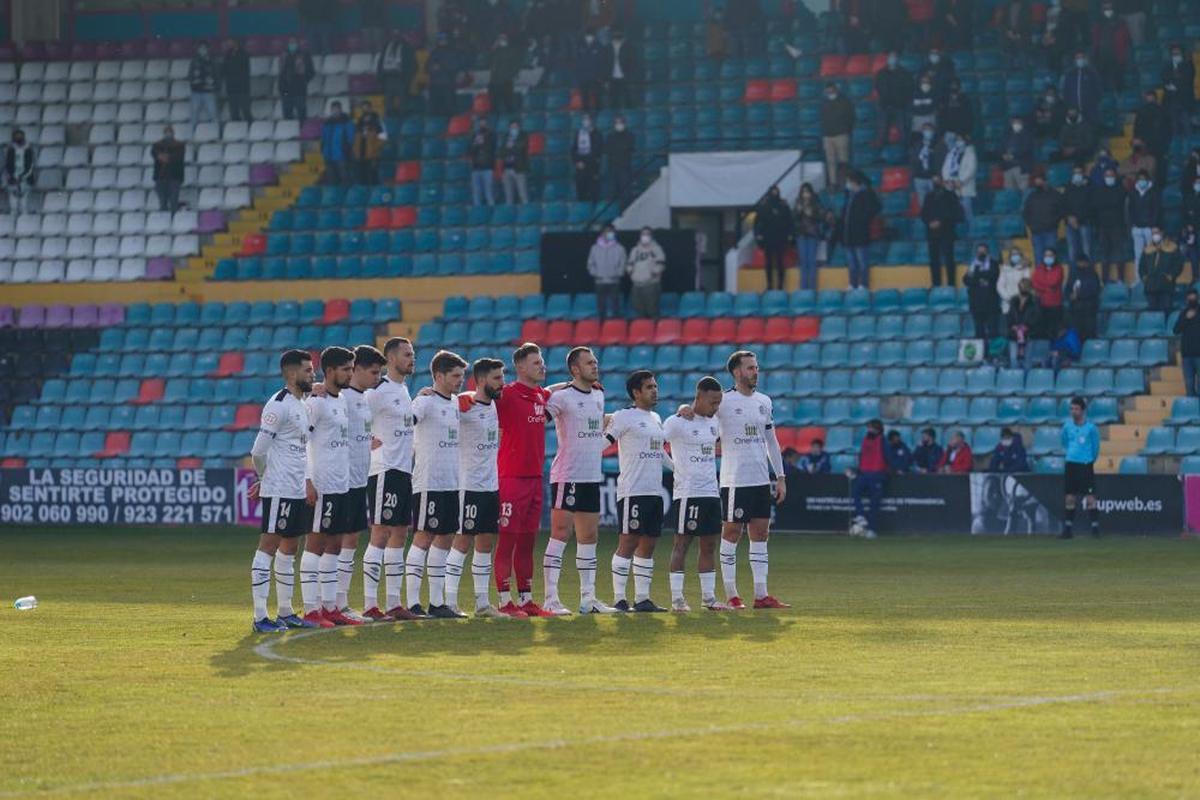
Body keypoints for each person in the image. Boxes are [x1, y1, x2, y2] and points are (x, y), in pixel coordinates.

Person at [248, 350, 317, 633]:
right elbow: (258, 451)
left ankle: (286, 612)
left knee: (289, 548)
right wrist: (265, 479)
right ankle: (260, 616)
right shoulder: (278, 405)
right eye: (308, 370)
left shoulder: (301, 404)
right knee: (269, 546)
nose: (313, 374)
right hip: (279, 487)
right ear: (291, 374)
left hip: (295, 488)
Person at [542, 347, 610, 616]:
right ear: (575, 369)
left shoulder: (599, 393)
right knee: (560, 534)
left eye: (595, 361)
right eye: (589, 363)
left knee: (589, 536)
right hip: (567, 475)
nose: (595, 366)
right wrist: (553, 388)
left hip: (591, 475)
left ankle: (588, 599)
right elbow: (538, 413)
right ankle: (550, 598)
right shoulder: (563, 397)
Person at [403, 350, 468, 619]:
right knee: (423, 537)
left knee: (445, 537)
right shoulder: (425, 402)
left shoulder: (455, 403)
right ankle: (412, 603)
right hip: (428, 481)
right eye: (455, 376)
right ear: (438, 376)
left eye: (462, 376)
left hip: (451, 482)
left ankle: (438, 603)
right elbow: (406, 422)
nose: (460, 381)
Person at [441, 358, 508, 618]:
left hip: (490, 485)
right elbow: (439, 402)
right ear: (481, 381)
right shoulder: (464, 404)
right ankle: (448, 601)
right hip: (468, 485)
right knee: (462, 541)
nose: (502, 382)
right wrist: (426, 392)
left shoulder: (493, 406)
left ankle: (482, 603)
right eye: (497, 378)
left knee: (485, 543)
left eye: (502, 377)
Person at [362, 337, 422, 622]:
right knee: (381, 532)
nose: (412, 359)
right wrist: (366, 439)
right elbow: (353, 414)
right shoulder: (378, 391)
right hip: (384, 469)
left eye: (413, 354)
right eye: (407, 355)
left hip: (403, 471)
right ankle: (370, 605)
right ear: (391, 359)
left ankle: (394, 604)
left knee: (400, 533)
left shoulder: (404, 390)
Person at [301, 347, 361, 628]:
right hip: (322, 484)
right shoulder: (316, 403)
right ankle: (311, 610)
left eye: (352, 368)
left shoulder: (340, 401)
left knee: (335, 545)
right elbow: (299, 441)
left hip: (342, 483)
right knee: (315, 544)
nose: (351, 373)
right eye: (346, 369)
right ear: (330, 371)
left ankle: (329, 607)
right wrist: (307, 480)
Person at [491, 343, 551, 618]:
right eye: (536, 362)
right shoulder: (507, 395)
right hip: (511, 477)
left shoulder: (540, 395)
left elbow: (557, 390)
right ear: (520, 367)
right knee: (508, 540)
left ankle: (526, 599)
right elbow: (476, 395)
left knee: (528, 541)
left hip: (535, 478)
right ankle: (504, 600)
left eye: (542, 362)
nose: (542, 366)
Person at [605, 370, 671, 613]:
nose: (655, 390)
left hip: (654, 491)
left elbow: (658, 451)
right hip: (633, 490)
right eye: (649, 387)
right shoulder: (624, 417)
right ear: (636, 392)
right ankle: (619, 599)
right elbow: (605, 441)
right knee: (628, 541)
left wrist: (678, 469)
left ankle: (642, 598)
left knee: (649, 544)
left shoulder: (655, 417)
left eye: (655, 386)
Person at [664, 377, 731, 612]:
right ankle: (677, 599)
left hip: (711, 492)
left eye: (718, 403)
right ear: (699, 397)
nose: (716, 407)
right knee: (682, 544)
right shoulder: (677, 422)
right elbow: (654, 442)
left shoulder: (714, 424)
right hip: (688, 494)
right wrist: (674, 467)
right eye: (713, 402)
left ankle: (709, 599)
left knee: (709, 545)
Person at [329, 345, 385, 624]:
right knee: (337, 541)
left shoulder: (364, 397)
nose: (377, 377)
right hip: (343, 479)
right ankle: (334, 604)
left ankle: (338, 603)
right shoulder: (342, 397)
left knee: (349, 540)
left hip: (359, 479)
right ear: (357, 370)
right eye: (373, 372)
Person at [1060, 396, 1100, 539]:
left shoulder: (1091, 428)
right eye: (1071, 409)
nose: (1073, 412)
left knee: (1090, 497)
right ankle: (1068, 529)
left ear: (1083, 410)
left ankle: (1095, 528)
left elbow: (1096, 448)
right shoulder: (1067, 426)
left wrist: (1088, 460)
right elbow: (1064, 442)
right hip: (1071, 464)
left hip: (1085, 465)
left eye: (1076, 409)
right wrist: (1072, 454)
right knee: (1070, 497)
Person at [835, 171, 881, 289]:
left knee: (862, 262)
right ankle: (852, 283)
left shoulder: (866, 194)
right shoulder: (848, 196)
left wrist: (863, 220)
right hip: (848, 235)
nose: (847, 184)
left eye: (849, 181)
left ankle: (863, 284)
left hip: (860, 235)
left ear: (855, 182)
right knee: (851, 263)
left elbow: (876, 207)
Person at [921, 175, 964, 288]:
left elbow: (955, 213)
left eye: (937, 180)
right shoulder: (928, 196)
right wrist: (929, 222)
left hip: (947, 232)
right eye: (934, 180)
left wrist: (940, 221)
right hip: (932, 234)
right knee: (934, 260)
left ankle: (951, 284)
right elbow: (924, 213)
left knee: (949, 259)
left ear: (942, 182)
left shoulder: (950, 196)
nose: (936, 182)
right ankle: (936, 284)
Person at [849, 419, 887, 539]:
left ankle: (872, 529)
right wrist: (858, 469)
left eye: (871, 428)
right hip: (864, 473)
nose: (869, 430)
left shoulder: (882, 441)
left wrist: (895, 469)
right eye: (868, 428)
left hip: (876, 474)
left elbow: (888, 456)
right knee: (855, 493)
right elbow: (863, 455)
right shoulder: (865, 440)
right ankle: (861, 516)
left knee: (874, 504)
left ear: (877, 429)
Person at [753, 185, 795, 291]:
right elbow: (757, 222)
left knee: (781, 262)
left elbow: (790, 221)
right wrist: (758, 235)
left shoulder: (783, 205)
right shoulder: (764, 205)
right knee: (768, 262)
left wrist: (790, 234)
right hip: (768, 237)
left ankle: (780, 285)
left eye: (776, 191)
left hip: (781, 237)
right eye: (773, 191)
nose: (775, 193)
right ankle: (769, 284)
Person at [1092, 166, 1128, 283]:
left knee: (1119, 254)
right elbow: (1097, 207)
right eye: (1107, 176)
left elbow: (1119, 203)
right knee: (1104, 255)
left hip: (1118, 226)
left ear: (1115, 177)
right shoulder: (1099, 190)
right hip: (1103, 226)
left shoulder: (1121, 189)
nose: (1109, 178)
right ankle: (1104, 280)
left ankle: (1121, 280)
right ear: (1103, 177)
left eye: (1111, 175)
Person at [1139, 228, 1183, 316]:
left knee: (1166, 310)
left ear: (1162, 233)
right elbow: (1142, 266)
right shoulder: (1147, 248)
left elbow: (1178, 264)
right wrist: (1145, 277)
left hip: (1166, 285)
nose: (1155, 235)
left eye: (1157, 232)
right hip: (1151, 286)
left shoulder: (1172, 247)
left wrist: (1171, 276)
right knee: (1152, 313)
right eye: (1153, 233)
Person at [874, 51, 913, 147]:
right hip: (885, 105)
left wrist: (902, 101)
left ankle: (905, 151)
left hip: (900, 106)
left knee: (903, 130)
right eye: (891, 57)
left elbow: (909, 89)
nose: (892, 59)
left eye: (894, 57)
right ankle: (882, 153)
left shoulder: (904, 73)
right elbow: (878, 87)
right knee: (882, 130)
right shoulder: (881, 73)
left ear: (898, 59)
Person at [587, 224, 626, 321]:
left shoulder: (620, 248)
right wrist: (596, 274)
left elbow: (623, 263)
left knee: (615, 304)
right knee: (601, 305)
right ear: (602, 233)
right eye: (607, 231)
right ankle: (602, 325)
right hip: (600, 281)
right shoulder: (594, 248)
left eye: (611, 232)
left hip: (614, 281)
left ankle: (615, 325)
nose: (609, 234)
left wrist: (617, 274)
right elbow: (590, 264)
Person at [1090, 1, 1131, 91]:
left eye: (1110, 7)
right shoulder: (1098, 22)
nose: (1108, 10)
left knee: (1119, 82)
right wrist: (1095, 54)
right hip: (1102, 58)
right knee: (1104, 84)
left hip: (1117, 57)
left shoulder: (1120, 22)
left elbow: (1125, 39)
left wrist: (1122, 55)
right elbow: (1095, 40)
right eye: (1105, 8)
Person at [820, 82, 855, 187]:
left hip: (841, 134)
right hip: (827, 135)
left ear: (835, 89)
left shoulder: (845, 102)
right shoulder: (824, 103)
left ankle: (845, 182)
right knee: (830, 161)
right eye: (828, 90)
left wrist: (846, 130)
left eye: (831, 90)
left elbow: (851, 117)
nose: (829, 92)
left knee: (843, 160)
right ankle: (833, 183)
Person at [794, 183, 828, 291]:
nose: (805, 194)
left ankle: (812, 288)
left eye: (807, 192)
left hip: (813, 235)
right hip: (801, 235)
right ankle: (803, 288)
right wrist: (798, 211)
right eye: (803, 192)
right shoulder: (798, 203)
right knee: (803, 262)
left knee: (812, 261)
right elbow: (793, 218)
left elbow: (822, 217)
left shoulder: (816, 203)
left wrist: (811, 214)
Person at [940, 132, 977, 232]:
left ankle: (972, 233)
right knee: (954, 214)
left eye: (961, 140)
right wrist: (947, 180)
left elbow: (971, 169)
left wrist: (961, 181)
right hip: (951, 188)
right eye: (957, 140)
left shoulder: (970, 153)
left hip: (964, 188)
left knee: (967, 213)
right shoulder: (952, 153)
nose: (958, 142)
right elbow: (946, 167)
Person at [627, 227, 666, 318]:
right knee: (638, 309)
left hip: (651, 284)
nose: (645, 236)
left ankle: (655, 329)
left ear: (651, 236)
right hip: (636, 285)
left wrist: (653, 273)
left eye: (647, 234)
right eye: (643, 234)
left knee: (652, 310)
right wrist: (630, 272)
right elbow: (630, 263)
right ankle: (643, 330)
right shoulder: (635, 250)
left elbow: (661, 264)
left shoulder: (656, 248)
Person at [963, 242, 1000, 339]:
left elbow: (993, 276)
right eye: (979, 251)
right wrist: (982, 276)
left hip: (991, 302)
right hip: (976, 303)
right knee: (979, 331)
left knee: (993, 331)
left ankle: (992, 353)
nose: (981, 253)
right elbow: (966, 280)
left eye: (983, 251)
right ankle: (981, 352)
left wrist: (977, 275)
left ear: (988, 252)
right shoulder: (972, 264)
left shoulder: (994, 263)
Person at [1023, 173, 1063, 260]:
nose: (1037, 183)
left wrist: (1053, 223)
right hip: (1036, 232)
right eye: (1036, 181)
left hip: (1050, 231)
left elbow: (1061, 211)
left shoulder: (1055, 194)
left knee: (1052, 256)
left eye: (1039, 181)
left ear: (1045, 181)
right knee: (1038, 257)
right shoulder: (1031, 196)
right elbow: (1026, 212)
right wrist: (1031, 225)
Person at [376, 31, 415, 116]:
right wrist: (380, 77)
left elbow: (412, 64)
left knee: (403, 99)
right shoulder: (386, 47)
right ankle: (390, 117)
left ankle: (403, 116)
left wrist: (407, 78)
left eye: (397, 35)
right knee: (389, 100)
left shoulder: (406, 47)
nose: (395, 37)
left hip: (400, 78)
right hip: (388, 78)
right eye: (393, 35)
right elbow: (380, 62)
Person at [1162, 42, 1195, 140]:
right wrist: (1172, 83)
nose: (1175, 55)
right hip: (1172, 101)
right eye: (1174, 53)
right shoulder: (1168, 66)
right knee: (1174, 127)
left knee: (1186, 125)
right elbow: (1164, 78)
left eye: (1177, 53)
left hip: (1185, 101)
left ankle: (1189, 151)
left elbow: (1187, 79)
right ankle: (1177, 151)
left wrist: (1175, 84)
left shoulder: (1188, 65)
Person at [1128, 170, 1162, 265]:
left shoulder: (1153, 193)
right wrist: (1132, 225)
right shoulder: (1133, 193)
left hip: (1149, 228)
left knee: (1152, 253)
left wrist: (1154, 225)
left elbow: (1156, 210)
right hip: (1137, 228)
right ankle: (1139, 278)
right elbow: (1130, 210)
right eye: (1140, 179)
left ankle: (1152, 277)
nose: (1142, 181)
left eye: (1144, 179)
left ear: (1148, 180)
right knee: (1138, 254)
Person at [1007, 278, 1041, 370]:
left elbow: (1037, 317)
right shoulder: (1013, 300)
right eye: (1021, 287)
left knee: (1027, 361)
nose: (1022, 289)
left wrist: (1027, 326)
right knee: (1013, 359)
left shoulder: (1034, 301)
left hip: (1029, 334)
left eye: (1025, 287)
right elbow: (1010, 316)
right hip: (1014, 334)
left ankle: (1026, 381)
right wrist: (1012, 326)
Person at [1133, 91, 1171, 174]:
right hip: (1150, 143)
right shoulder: (1143, 111)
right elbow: (1137, 129)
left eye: (1149, 96)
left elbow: (1168, 128)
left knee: (1156, 165)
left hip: (1156, 143)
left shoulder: (1161, 110)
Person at [149, 126, 184, 214]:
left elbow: (178, 157)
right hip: (160, 176)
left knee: (174, 201)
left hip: (175, 177)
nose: (168, 135)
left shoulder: (179, 145)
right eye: (167, 133)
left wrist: (166, 157)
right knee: (162, 201)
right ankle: (163, 221)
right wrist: (161, 156)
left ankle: (174, 219)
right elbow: (154, 153)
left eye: (170, 132)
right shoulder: (157, 145)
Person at [279, 39, 314, 123]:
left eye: (293, 43)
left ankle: (303, 134)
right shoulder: (283, 55)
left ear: (297, 44)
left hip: (300, 90)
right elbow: (281, 73)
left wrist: (304, 80)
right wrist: (281, 88)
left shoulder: (304, 55)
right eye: (290, 43)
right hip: (286, 91)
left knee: (302, 114)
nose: (292, 45)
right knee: (287, 116)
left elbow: (311, 72)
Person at [1060, 51, 1102, 122]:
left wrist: (1093, 103)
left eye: (1082, 57)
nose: (1080, 60)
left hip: (1090, 109)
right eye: (1078, 58)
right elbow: (1066, 91)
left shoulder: (1092, 73)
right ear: (1074, 60)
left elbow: (1098, 90)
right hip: (1074, 110)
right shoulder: (1070, 74)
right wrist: (1070, 106)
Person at [426, 33, 461, 116]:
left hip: (447, 84)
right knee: (436, 108)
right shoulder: (434, 53)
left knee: (450, 107)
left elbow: (455, 66)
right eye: (440, 40)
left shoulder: (452, 52)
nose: (442, 41)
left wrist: (442, 67)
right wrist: (433, 68)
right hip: (435, 84)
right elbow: (427, 67)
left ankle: (451, 124)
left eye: (443, 40)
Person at [486, 34, 522, 115]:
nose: (501, 40)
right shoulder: (495, 51)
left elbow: (516, 65)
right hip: (494, 82)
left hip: (506, 82)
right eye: (500, 38)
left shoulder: (511, 50)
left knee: (508, 105)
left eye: (503, 38)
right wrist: (493, 48)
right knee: (493, 106)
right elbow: (487, 60)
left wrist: (511, 75)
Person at [320, 102, 355, 186]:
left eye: (336, 109)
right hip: (328, 155)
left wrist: (347, 150)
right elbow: (324, 138)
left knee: (345, 177)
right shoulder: (327, 123)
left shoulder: (347, 122)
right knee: (331, 178)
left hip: (342, 155)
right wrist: (323, 149)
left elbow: (351, 138)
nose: (335, 111)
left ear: (340, 109)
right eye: (333, 109)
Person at [352, 101, 387, 185]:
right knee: (362, 178)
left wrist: (374, 148)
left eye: (367, 108)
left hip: (372, 155)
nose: (365, 110)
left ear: (371, 108)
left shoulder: (377, 121)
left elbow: (384, 137)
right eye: (363, 108)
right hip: (360, 154)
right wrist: (355, 149)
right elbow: (355, 138)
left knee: (373, 177)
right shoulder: (359, 122)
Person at [1033, 247, 1065, 337]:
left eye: (1050, 255)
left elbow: (1053, 282)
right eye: (1046, 255)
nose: (1048, 257)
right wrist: (1047, 288)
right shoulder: (1039, 268)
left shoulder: (1059, 269)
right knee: (1043, 331)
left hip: (1055, 304)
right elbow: (1035, 283)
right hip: (1041, 304)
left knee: (1054, 331)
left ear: (1055, 256)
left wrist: (1042, 286)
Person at [1062, 166, 1092, 265]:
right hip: (1069, 223)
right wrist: (1069, 217)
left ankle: (1088, 274)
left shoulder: (1088, 187)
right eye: (1075, 173)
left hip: (1084, 222)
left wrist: (1078, 219)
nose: (1077, 175)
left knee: (1086, 250)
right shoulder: (1068, 187)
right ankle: (1073, 275)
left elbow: (1090, 206)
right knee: (1072, 251)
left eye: (1079, 173)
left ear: (1083, 174)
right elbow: (1064, 205)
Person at [188, 41, 219, 130]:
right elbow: (190, 75)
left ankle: (215, 132)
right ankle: (192, 134)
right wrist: (193, 83)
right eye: (200, 49)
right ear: (198, 50)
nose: (202, 50)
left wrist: (215, 86)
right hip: (196, 92)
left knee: (213, 113)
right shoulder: (194, 61)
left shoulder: (212, 61)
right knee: (194, 114)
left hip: (208, 92)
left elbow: (217, 75)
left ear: (207, 50)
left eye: (204, 49)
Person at [1068, 257, 1101, 341]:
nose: (1080, 264)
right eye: (1079, 262)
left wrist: (1079, 295)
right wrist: (1070, 296)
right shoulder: (1073, 275)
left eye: (1082, 262)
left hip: (1089, 309)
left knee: (1089, 333)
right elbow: (1067, 289)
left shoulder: (1092, 275)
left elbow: (1094, 290)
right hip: (1076, 310)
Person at [572, 114, 603, 201]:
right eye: (584, 119)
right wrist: (577, 162)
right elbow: (573, 150)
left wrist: (585, 161)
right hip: (581, 169)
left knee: (593, 192)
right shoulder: (579, 133)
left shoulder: (597, 134)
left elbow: (597, 151)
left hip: (592, 168)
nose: (585, 121)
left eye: (587, 119)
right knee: (581, 192)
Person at [604, 29, 637, 110]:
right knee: (613, 101)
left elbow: (633, 63)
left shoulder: (629, 47)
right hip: (612, 78)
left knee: (628, 100)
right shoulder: (607, 48)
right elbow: (604, 64)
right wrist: (606, 80)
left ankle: (630, 118)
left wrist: (630, 76)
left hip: (625, 77)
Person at [3, 129, 35, 214]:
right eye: (16, 136)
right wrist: (13, 176)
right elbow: (8, 164)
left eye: (20, 136)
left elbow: (30, 165)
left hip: (26, 179)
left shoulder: (28, 149)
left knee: (23, 202)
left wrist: (23, 177)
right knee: (13, 201)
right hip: (12, 179)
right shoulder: (10, 149)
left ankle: (24, 217)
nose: (18, 138)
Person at [1175, 290, 1200, 396]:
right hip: (1187, 355)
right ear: (1186, 299)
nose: (1191, 300)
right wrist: (1186, 318)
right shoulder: (1184, 313)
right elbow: (1176, 330)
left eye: (1193, 298)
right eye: (1189, 298)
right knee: (1189, 385)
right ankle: (1191, 410)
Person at [499, 119, 529, 204]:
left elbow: (520, 148)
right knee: (508, 196)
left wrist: (510, 147)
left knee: (522, 194)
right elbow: (501, 151)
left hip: (519, 168)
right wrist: (510, 148)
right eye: (512, 127)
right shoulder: (506, 137)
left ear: (519, 127)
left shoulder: (523, 135)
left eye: (515, 127)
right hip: (507, 168)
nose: (513, 129)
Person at [1000, 115, 1035, 190]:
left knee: (1022, 192)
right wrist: (1003, 155)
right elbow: (1002, 148)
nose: (1016, 124)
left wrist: (1013, 156)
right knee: (1009, 192)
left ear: (1022, 123)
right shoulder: (1007, 134)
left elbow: (1026, 149)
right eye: (1014, 122)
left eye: (1018, 122)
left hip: (1022, 167)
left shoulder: (1027, 134)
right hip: (1008, 167)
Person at [221, 39, 251, 123]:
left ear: (235, 42)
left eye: (230, 42)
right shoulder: (227, 54)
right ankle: (236, 129)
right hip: (231, 88)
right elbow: (224, 69)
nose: (229, 43)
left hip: (243, 88)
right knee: (234, 112)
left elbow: (244, 70)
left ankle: (250, 128)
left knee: (246, 111)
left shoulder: (244, 54)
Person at [468, 118, 496, 206]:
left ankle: (491, 210)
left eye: (484, 123)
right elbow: (470, 151)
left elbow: (492, 148)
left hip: (487, 167)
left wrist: (483, 141)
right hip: (476, 168)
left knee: (489, 192)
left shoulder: (491, 135)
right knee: (476, 192)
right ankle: (477, 212)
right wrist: (476, 143)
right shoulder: (474, 136)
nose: (482, 125)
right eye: (480, 123)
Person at [910, 123, 940, 206]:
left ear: (933, 131)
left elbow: (940, 162)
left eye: (929, 130)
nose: (927, 132)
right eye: (925, 130)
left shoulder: (938, 145)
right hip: (919, 177)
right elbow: (913, 161)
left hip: (933, 178)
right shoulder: (917, 145)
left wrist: (938, 175)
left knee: (935, 203)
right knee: (923, 203)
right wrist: (914, 175)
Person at [607, 115, 634, 201]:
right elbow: (607, 150)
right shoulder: (610, 136)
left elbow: (627, 148)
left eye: (620, 122)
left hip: (624, 168)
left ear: (624, 124)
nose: (618, 125)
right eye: (616, 123)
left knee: (625, 193)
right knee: (611, 193)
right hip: (612, 168)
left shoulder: (630, 136)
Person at [576, 30, 605, 112]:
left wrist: (600, 77)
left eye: (591, 35)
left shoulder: (599, 46)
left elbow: (602, 63)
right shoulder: (580, 46)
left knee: (597, 98)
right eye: (588, 35)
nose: (589, 37)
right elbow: (577, 62)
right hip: (583, 78)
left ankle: (599, 117)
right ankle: (586, 117)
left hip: (596, 78)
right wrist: (579, 77)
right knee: (585, 99)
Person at [998, 248, 1031, 314]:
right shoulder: (1005, 268)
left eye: (1017, 254)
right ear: (1010, 256)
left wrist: (1020, 299)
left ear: (1021, 255)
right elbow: (1000, 285)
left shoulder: (1025, 268)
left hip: (1022, 303)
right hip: (1008, 303)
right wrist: (1008, 297)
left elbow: (1026, 284)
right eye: (1013, 254)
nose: (1015, 256)